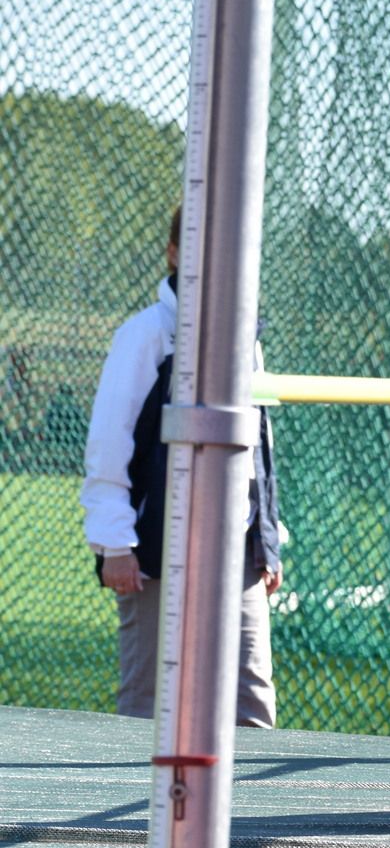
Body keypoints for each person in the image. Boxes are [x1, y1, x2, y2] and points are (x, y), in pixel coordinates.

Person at [81, 207, 283, 727]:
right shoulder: (145, 335)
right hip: (158, 543)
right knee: (148, 700)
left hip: (235, 545)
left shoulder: (246, 339)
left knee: (251, 696)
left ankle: (254, 787)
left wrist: (267, 539)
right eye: (199, 252)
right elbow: (109, 441)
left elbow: (258, 446)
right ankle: (135, 784)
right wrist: (115, 543)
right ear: (174, 254)